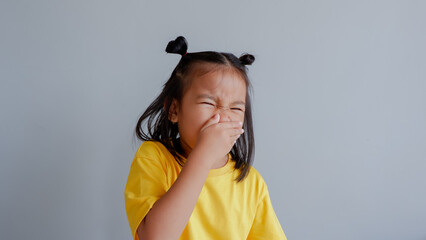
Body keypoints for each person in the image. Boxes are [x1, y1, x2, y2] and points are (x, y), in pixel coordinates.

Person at [124, 36, 286, 240]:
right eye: (209, 103)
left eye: (236, 108)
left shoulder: (252, 182)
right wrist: (203, 155)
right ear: (174, 110)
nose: (223, 116)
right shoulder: (154, 158)